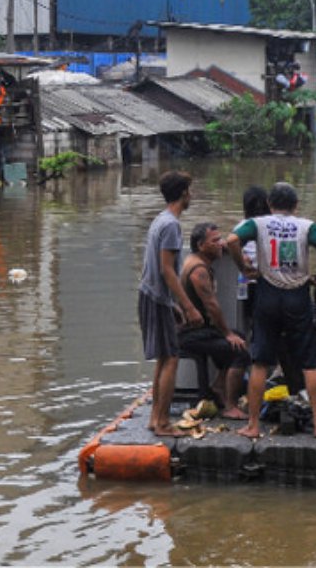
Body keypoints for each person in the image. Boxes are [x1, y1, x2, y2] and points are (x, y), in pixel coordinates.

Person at [226, 182, 316, 439]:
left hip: (268, 294)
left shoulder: (259, 224)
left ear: (270, 204)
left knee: (261, 362)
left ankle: (253, 425)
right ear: (295, 205)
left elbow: (231, 240)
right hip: (298, 294)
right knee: (309, 362)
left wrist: (243, 267)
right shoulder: (306, 226)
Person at [138, 170, 202, 437]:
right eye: (190, 189)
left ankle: (156, 419)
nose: (192, 194)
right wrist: (188, 306)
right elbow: (167, 270)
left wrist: (172, 303)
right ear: (183, 194)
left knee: (164, 358)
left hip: (152, 295)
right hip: (155, 297)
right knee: (172, 359)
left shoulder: (161, 220)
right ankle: (163, 423)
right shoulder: (172, 225)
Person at [178, 222, 248, 420]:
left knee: (239, 337)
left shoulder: (194, 259)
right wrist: (227, 333)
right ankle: (230, 406)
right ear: (201, 246)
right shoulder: (199, 271)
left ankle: (218, 386)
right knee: (240, 350)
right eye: (215, 241)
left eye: (220, 239)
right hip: (190, 335)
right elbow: (212, 306)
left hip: (197, 330)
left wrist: (225, 245)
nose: (220, 244)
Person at [235, 186, 271, 332]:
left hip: (248, 282)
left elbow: (233, 244)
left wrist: (243, 264)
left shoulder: (242, 226)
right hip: (270, 281)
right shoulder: (273, 225)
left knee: (252, 322)